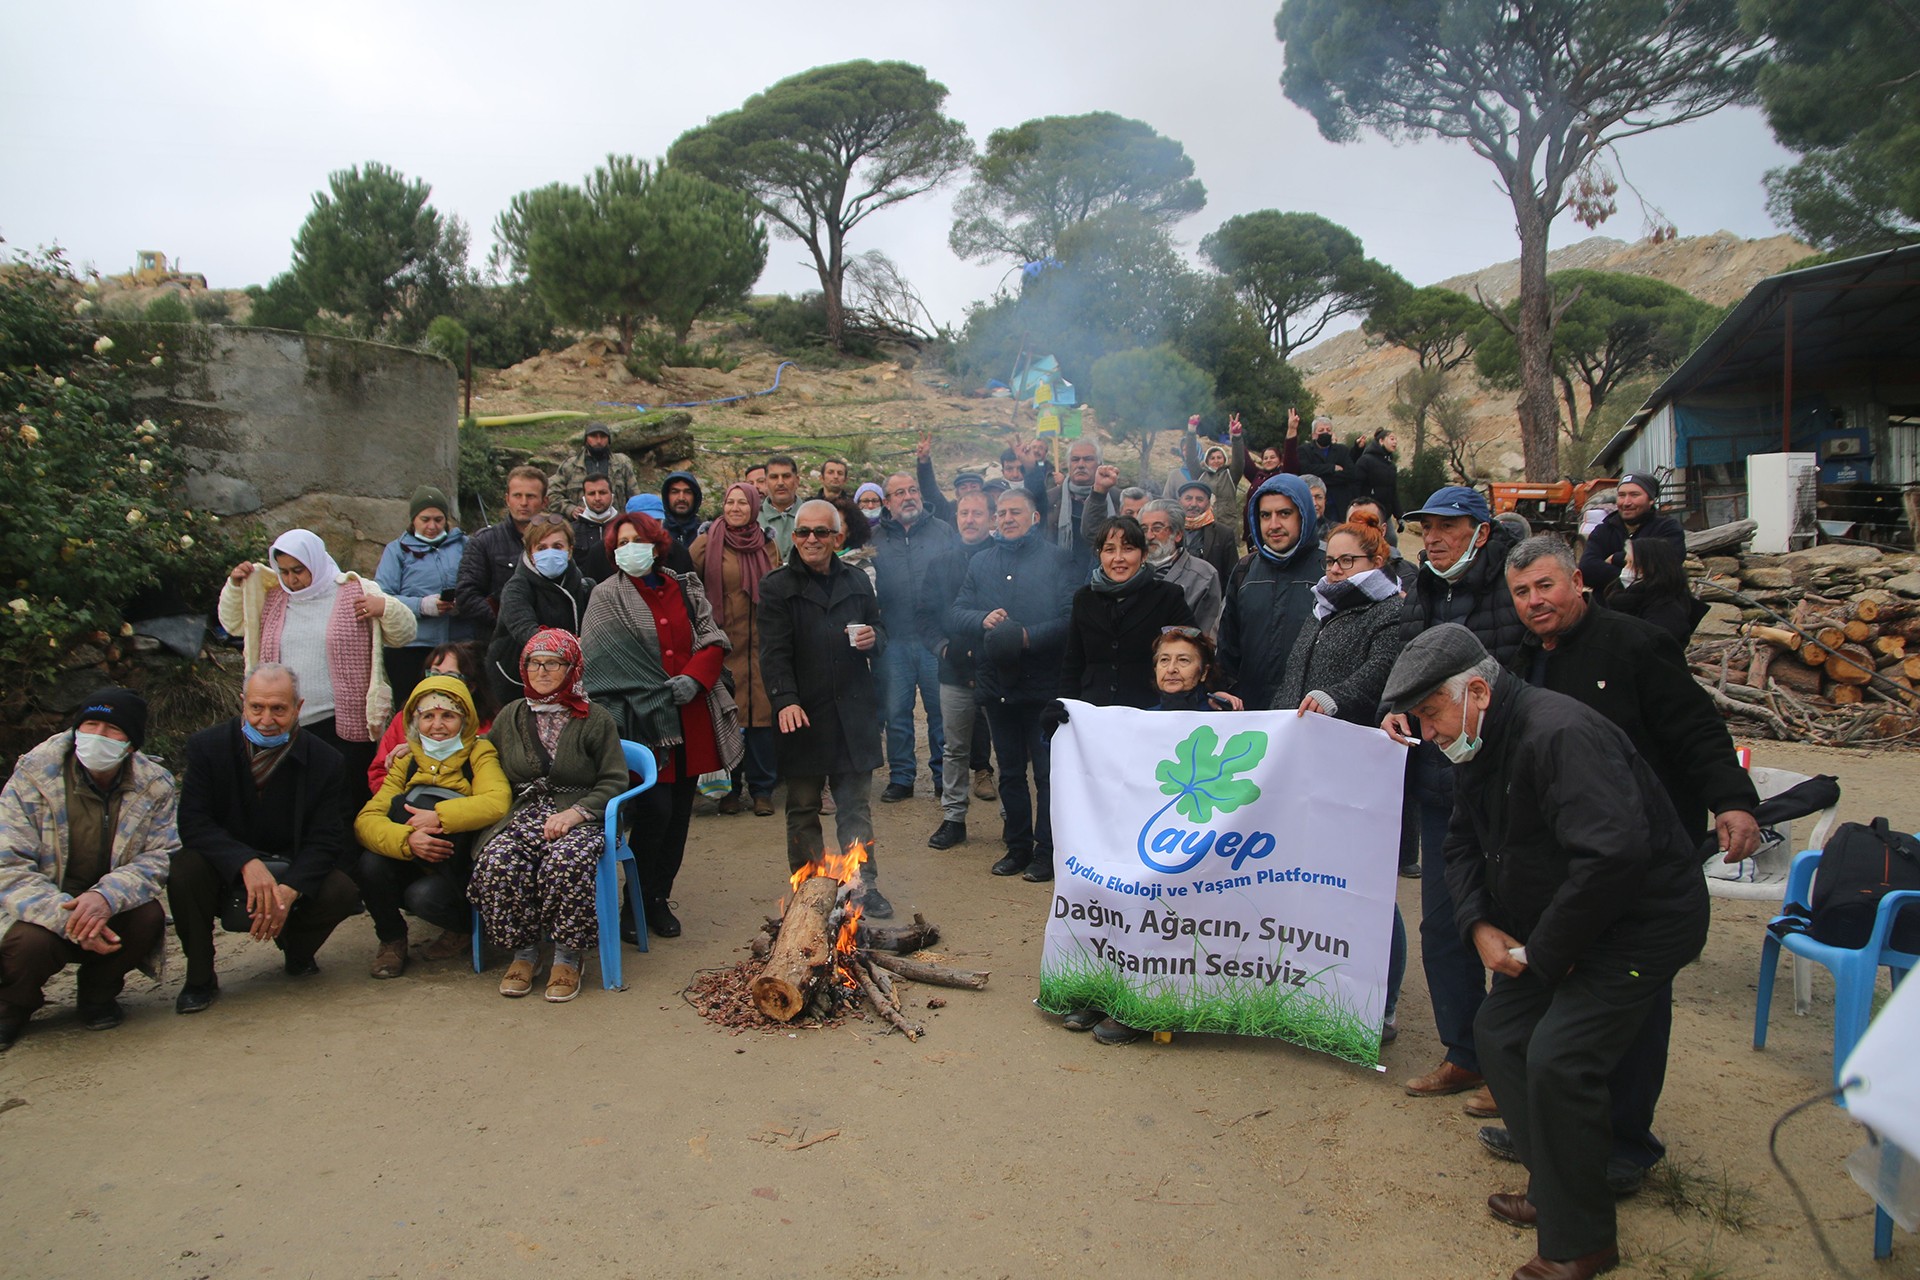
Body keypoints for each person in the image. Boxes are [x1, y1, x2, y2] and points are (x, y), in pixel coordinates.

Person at [1381, 625, 1711, 1280]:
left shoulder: (1561, 735)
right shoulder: (1477, 743)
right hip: (1565, 924)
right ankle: (1555, 1188)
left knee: (1559, 1057)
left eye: (1431, 713)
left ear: (1476, 690)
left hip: (1640, 926)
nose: (1429, 732)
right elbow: (1462, 846)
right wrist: (1478, 925)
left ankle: (1579, 1242)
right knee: (1500, 1031)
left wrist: (1546, 956)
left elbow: (1613, 857)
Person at [1486, 534, 1759, 1192]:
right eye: (1521, 593)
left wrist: (1732, 801)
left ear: (1577, 581)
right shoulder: (1519, 660)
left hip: (1638, 858)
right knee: (1540, 993)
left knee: (1629, 1011)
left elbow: (1696, 728)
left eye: (1544, 586)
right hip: (1558, 864)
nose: (1533, 602)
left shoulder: (1635, 645)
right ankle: (1546, 1131)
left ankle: (1626, 1148)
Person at [1390, 485, 1526, 1114]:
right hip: (1442, 786)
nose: (1435, 537)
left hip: (1509, 786)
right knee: (1444, 922)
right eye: (1427, 528)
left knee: (1515, 928)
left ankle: (1514, 1069)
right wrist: (1394, 709)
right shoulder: (1421, 589)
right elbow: (1408, 670)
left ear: (1480, 529)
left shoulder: (1513, 587)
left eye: (1448, 526)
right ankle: (1464, 1055)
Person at [1275, 520, 1409, 1045]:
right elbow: (1293, 678)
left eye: (1346, 561)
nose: (1333, 570)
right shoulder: (1322, 610)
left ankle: (1384, 1002)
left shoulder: (1389, 611)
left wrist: (1336, 698)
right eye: (1329, 561)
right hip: (1304, 762)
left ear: (1375, 561)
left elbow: (1382, 671)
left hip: (1353, 762)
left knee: (1367, 887)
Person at [583, 514, 743, 938]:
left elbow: (712, 638)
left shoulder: (684, 587)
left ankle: (657, 899)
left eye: (637, 540)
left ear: (656, 546)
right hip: (642, 724)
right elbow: (600, 666)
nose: (628, 548)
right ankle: (632, 906)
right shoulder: (605, 596)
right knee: (655, 811)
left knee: (678, 819)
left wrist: (696, 677)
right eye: (621, 542)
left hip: (690, 718)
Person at [170, 665, 364, 1013]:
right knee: (185, 869)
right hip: (227, 865)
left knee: (342, 891)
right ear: (243, 704)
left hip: (289, 862)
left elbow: (327, 838)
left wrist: (290, 890)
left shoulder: (326, 761)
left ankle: (297, 950)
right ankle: (199, 977)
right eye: (257, 707)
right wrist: (244, 863)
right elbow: (194, 822)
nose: (266, 719)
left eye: (279, 709)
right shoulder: (207, 747)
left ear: (298, 707)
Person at [0, 690, 175, 1049]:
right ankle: (12, 1007)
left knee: (147, 916)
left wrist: (105, 897)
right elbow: (9, 864)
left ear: (131, 743)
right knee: (27, 943)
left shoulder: (155, 785)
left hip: (107, 903)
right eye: (90, 725)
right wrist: (68, 917)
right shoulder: (33, 777)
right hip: (45, 906)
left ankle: (98, 995)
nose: (97, 736)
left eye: (112, 729)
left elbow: (160, 857)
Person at [470, 630, 628, 1002]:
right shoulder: (511, 715)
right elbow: (479, 754)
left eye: (553, 663)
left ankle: (567, 956)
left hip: (583, 814)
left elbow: (615, 779)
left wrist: (576, 813)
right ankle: (524, 952)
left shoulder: (595, 719)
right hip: (525, 813)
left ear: (572, 668)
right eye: (534, 663)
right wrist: (410, 752)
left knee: (566, 861)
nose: (542, 671)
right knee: (498, 860)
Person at [220, 528, 418, 821]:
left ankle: (345, 864)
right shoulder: (272, 596)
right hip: (282, 723)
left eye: (298, 570)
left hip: (340, 724)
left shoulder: (355, 590)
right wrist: (235, 587)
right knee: (290, 802)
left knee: (344, 801)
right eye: (284, 571)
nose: (291, 579)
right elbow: (233, 624)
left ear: (315, 561)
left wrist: (385, 608)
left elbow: (406, 632)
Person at [758, 499, 894, 917]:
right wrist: (785, 700)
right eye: (803, 532)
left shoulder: (856, 580)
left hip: (853, 712)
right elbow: (773, 653)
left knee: (855, 807)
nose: (811, 539)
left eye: (821, 532)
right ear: (793, 536)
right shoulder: (777, 586)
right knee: (802, 807)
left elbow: (882, 631)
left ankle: (862, 885)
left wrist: (876, 638)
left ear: (837, 537)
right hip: (804, 714)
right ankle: (809, 889)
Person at [948, 487, 1078, 882]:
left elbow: (1071, 616)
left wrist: (1026, 637)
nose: (1006, 519)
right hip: (997, 684)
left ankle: (1048, 851)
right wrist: (982, 619)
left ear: (1034, 517)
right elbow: (957, 612)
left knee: (1046, 775)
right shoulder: (981, 561)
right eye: (1001, 513)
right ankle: (1017, 846)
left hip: (1042, 686)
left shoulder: (1057, 559)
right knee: (1009, 773)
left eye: (1015, 512)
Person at [352, 675, 511, 978]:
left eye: (448, 715)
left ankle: (463, 929)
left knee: (423, 896)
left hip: (456, 864)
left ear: (464, 720)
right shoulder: (406, 759)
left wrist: (439, 816)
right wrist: (408, 839)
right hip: (415, 854)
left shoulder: (479, 753)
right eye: (428, 716)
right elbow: (366, 821)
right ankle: (391, 941)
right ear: (415, 720)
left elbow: (497, 801)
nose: (437, 725)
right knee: (370, 865)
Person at [690, 484, 779, 817]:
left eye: (743, 502)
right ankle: (730, 790)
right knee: (728, 720)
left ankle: (763, 790)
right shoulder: (706, 543)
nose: (736, 507)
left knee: (762, 722)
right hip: (725, 646)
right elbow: (690, 588)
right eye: (730, 502)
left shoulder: (768, 544)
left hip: (761, 646)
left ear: (755, 507)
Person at [874, 471, 959, 803]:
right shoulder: (876, 539)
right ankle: (902, 776)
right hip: (894, 639)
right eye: (899, 493)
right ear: (887, 502)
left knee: (941, 713)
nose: (908, 497)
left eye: (912, 490)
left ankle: (942, 777)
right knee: (897, 713)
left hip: (935, 641)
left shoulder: (943, 532)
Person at [925, 487, 1000, 850]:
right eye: (963, 514)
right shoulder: (941, 563)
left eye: (977, 514)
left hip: (999, 668)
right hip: (953, 669)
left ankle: (1012, 819)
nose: (969, 520)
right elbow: (925, 615)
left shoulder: (1004, 559)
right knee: (954, 747)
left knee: (1004, 745)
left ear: (992, 518)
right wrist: (941, 648)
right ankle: (953, 817)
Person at [1061, 518, 1197, 709]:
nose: (1118, 558)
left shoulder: (1167, 596)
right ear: (1100, 555)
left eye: (1128, 549)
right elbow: (1073, 663)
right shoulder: (1084, 598)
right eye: (1109, 550)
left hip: (1149, 709)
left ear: (1143, 555)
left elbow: (1192, 652)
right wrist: (1065, 705)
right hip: (1093, 712)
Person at [1219, 475, 1325, 712]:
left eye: (1284, 514)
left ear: (1304, 514)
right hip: (1251, 714)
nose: (1273, 524)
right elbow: (1228, 646)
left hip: (1309, 716)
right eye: (1265, 515)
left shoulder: (1329, 570)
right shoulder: (1245, 570)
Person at [376, 485, 475, 710]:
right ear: (414, 520)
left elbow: (479, 583)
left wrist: (464, 602)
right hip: (412, 646)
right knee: (413, 707)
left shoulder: (465, 545)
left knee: (459, 706)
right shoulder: (397, 550)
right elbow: (383, 597)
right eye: (425, 519)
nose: (432, 526)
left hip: (459, 642)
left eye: (439, 519)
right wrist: (422, 605)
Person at [485, 513, 594, 705]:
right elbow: (526, 631)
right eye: (541, 548)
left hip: (570, 678)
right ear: (530, 553)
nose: (550, 553)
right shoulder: (516, 588)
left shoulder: (583, 585)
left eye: (557, 546)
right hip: (518, 682)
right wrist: (571, 645)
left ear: (569, 551)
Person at [369, 641, 497, 793]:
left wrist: (424, 751)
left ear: (471, 686)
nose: (439, 681)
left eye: (451, 676)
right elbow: (378, 773)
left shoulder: (489, 726)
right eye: (434, 674)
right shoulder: (403, 719)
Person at [457, 464, 551, 649]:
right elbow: (466, 596)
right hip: (498, 647)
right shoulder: (484, 542)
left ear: (544, 501)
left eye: (531, 496)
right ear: (507, 499)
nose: (523, 502)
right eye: (517, 495)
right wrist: (510, 620)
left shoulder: (557, 542)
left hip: (547, 645)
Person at [1577, 473, 1685, 594]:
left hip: (1653, 607)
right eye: (1622, 495)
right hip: (1609, 608)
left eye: (1634, 495)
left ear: (1651, 500)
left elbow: (1670, 563)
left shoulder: (1667, 528)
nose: (1626, 502)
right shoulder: (1604, 531)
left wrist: (1615, 558)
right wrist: (1635, 576)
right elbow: (1587, 570)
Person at [1140, 499, 1224, 636]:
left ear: (1178, 534)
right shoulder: (1129, 570)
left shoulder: (1203, 575)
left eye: (1157, 528)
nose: (1149, 536)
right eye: (1143, 529)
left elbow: (1204, 635)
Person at [1602, 536, 1705, 646]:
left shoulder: (1668, 611)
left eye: (1631, 563)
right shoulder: (1623, 599)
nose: (1625, 569)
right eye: (1626, 563)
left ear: (1650, 568)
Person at [1045, 439, 1121, 570]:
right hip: (1061, 576)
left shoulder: (1118, 499)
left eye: (1088, 459)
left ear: (1100, 464)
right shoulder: (1050, 499)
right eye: (1075, 459)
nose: (1080, 465)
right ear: (1068, 465)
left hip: (1106, 573)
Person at [549, 422, 638, 516]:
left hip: (614, 524)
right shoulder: (570, 466)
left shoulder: (622, 464)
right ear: (586, 439)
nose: (599, 441)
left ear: (609, 440)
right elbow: (551, 494)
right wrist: (570, 509)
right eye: (594, 436)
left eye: (603, 437)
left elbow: (635, 497)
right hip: (580, 525)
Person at [1179, 416, 1241, 530]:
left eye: (1219, 457)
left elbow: (1239, 460)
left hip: (1228, 527)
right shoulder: (1200, 474)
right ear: (1207, 461)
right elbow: (1191, 458)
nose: (1216, 460)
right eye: (1212, 458)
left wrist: (1236, 437)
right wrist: (1191, 431)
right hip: (1204, 527)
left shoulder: (1231, 475)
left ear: (1224, 460)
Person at [1177, 480, 1242, 585]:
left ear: (1208, 502)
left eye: (1199, 499)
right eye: (1188, 498)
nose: (1193, 504)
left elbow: (1232, 575)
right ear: (1179, 501)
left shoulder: (1223, 534)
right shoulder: (1170, 529)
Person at [1299, 415, 1359, 521]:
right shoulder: (1304, 450)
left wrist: (1321, 476)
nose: (1325, 433)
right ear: (1313, 435)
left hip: (1339, 504)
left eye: (1328, 430)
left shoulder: (1342, 450)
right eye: (1321, 430)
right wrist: (1332, 468)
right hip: (1314, 504)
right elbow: (1305, 471)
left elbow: (1351, 474)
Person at [1235, 408, 1300, 496]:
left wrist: (1292, 429)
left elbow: (1290, 455)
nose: (1268, 460)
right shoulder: (1257, 476)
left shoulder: (1285, 475)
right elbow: (1245, 461)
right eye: (1265, 458)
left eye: (1272, 457)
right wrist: (1236, 437)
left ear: (1280, 461)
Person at [571, 475, 620, 582]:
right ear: (584, 497)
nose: (597, 498)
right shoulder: (572, 530)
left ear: (612, 495)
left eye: (602, 492)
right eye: (591, 493)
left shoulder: (623, 528)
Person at [1355, 429, 1403, 526]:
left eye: (1396, 440)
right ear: (1381, 441)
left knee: (1391, 539)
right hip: (1368, 512)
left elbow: (1393, 492)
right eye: (1392, 439)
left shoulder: (1391, 465)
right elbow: (1356, 486)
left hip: (1385, 513)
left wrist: (1399, 516)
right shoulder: (1366, 460)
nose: (1395, 442)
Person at [759, 455, 802, 560]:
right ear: (765, 482)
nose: (780, 483)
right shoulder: (753, 519)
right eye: (774, 477)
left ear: (797, 480)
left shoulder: (813, 516)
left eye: (786, 476)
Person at [660, 470, 705, 550]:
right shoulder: (657, 532)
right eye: (675, 492)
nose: (681, 498)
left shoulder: (705, 533)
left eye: (687, 492)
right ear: (667, 497)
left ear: (695, 497)